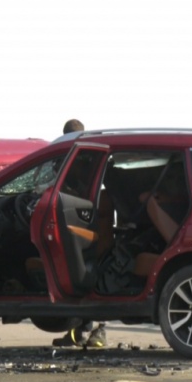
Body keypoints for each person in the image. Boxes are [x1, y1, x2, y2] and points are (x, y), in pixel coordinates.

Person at [50, 118, 108, 349]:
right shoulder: (89, 154)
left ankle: (90, 330)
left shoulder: (71, 156)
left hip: (76, 221)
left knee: (77, 276)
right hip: (90, 220)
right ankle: (87, 331)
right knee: (82, 277)